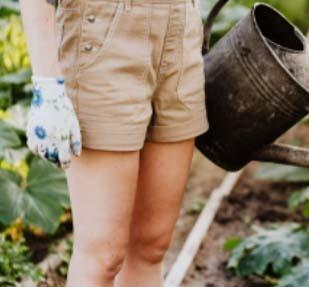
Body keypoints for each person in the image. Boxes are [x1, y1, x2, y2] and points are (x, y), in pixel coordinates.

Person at [19, 0, 209, 286]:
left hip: (181, 28)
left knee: (151, 246)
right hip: (104, 32)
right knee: (102, 256)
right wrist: (47, 82)